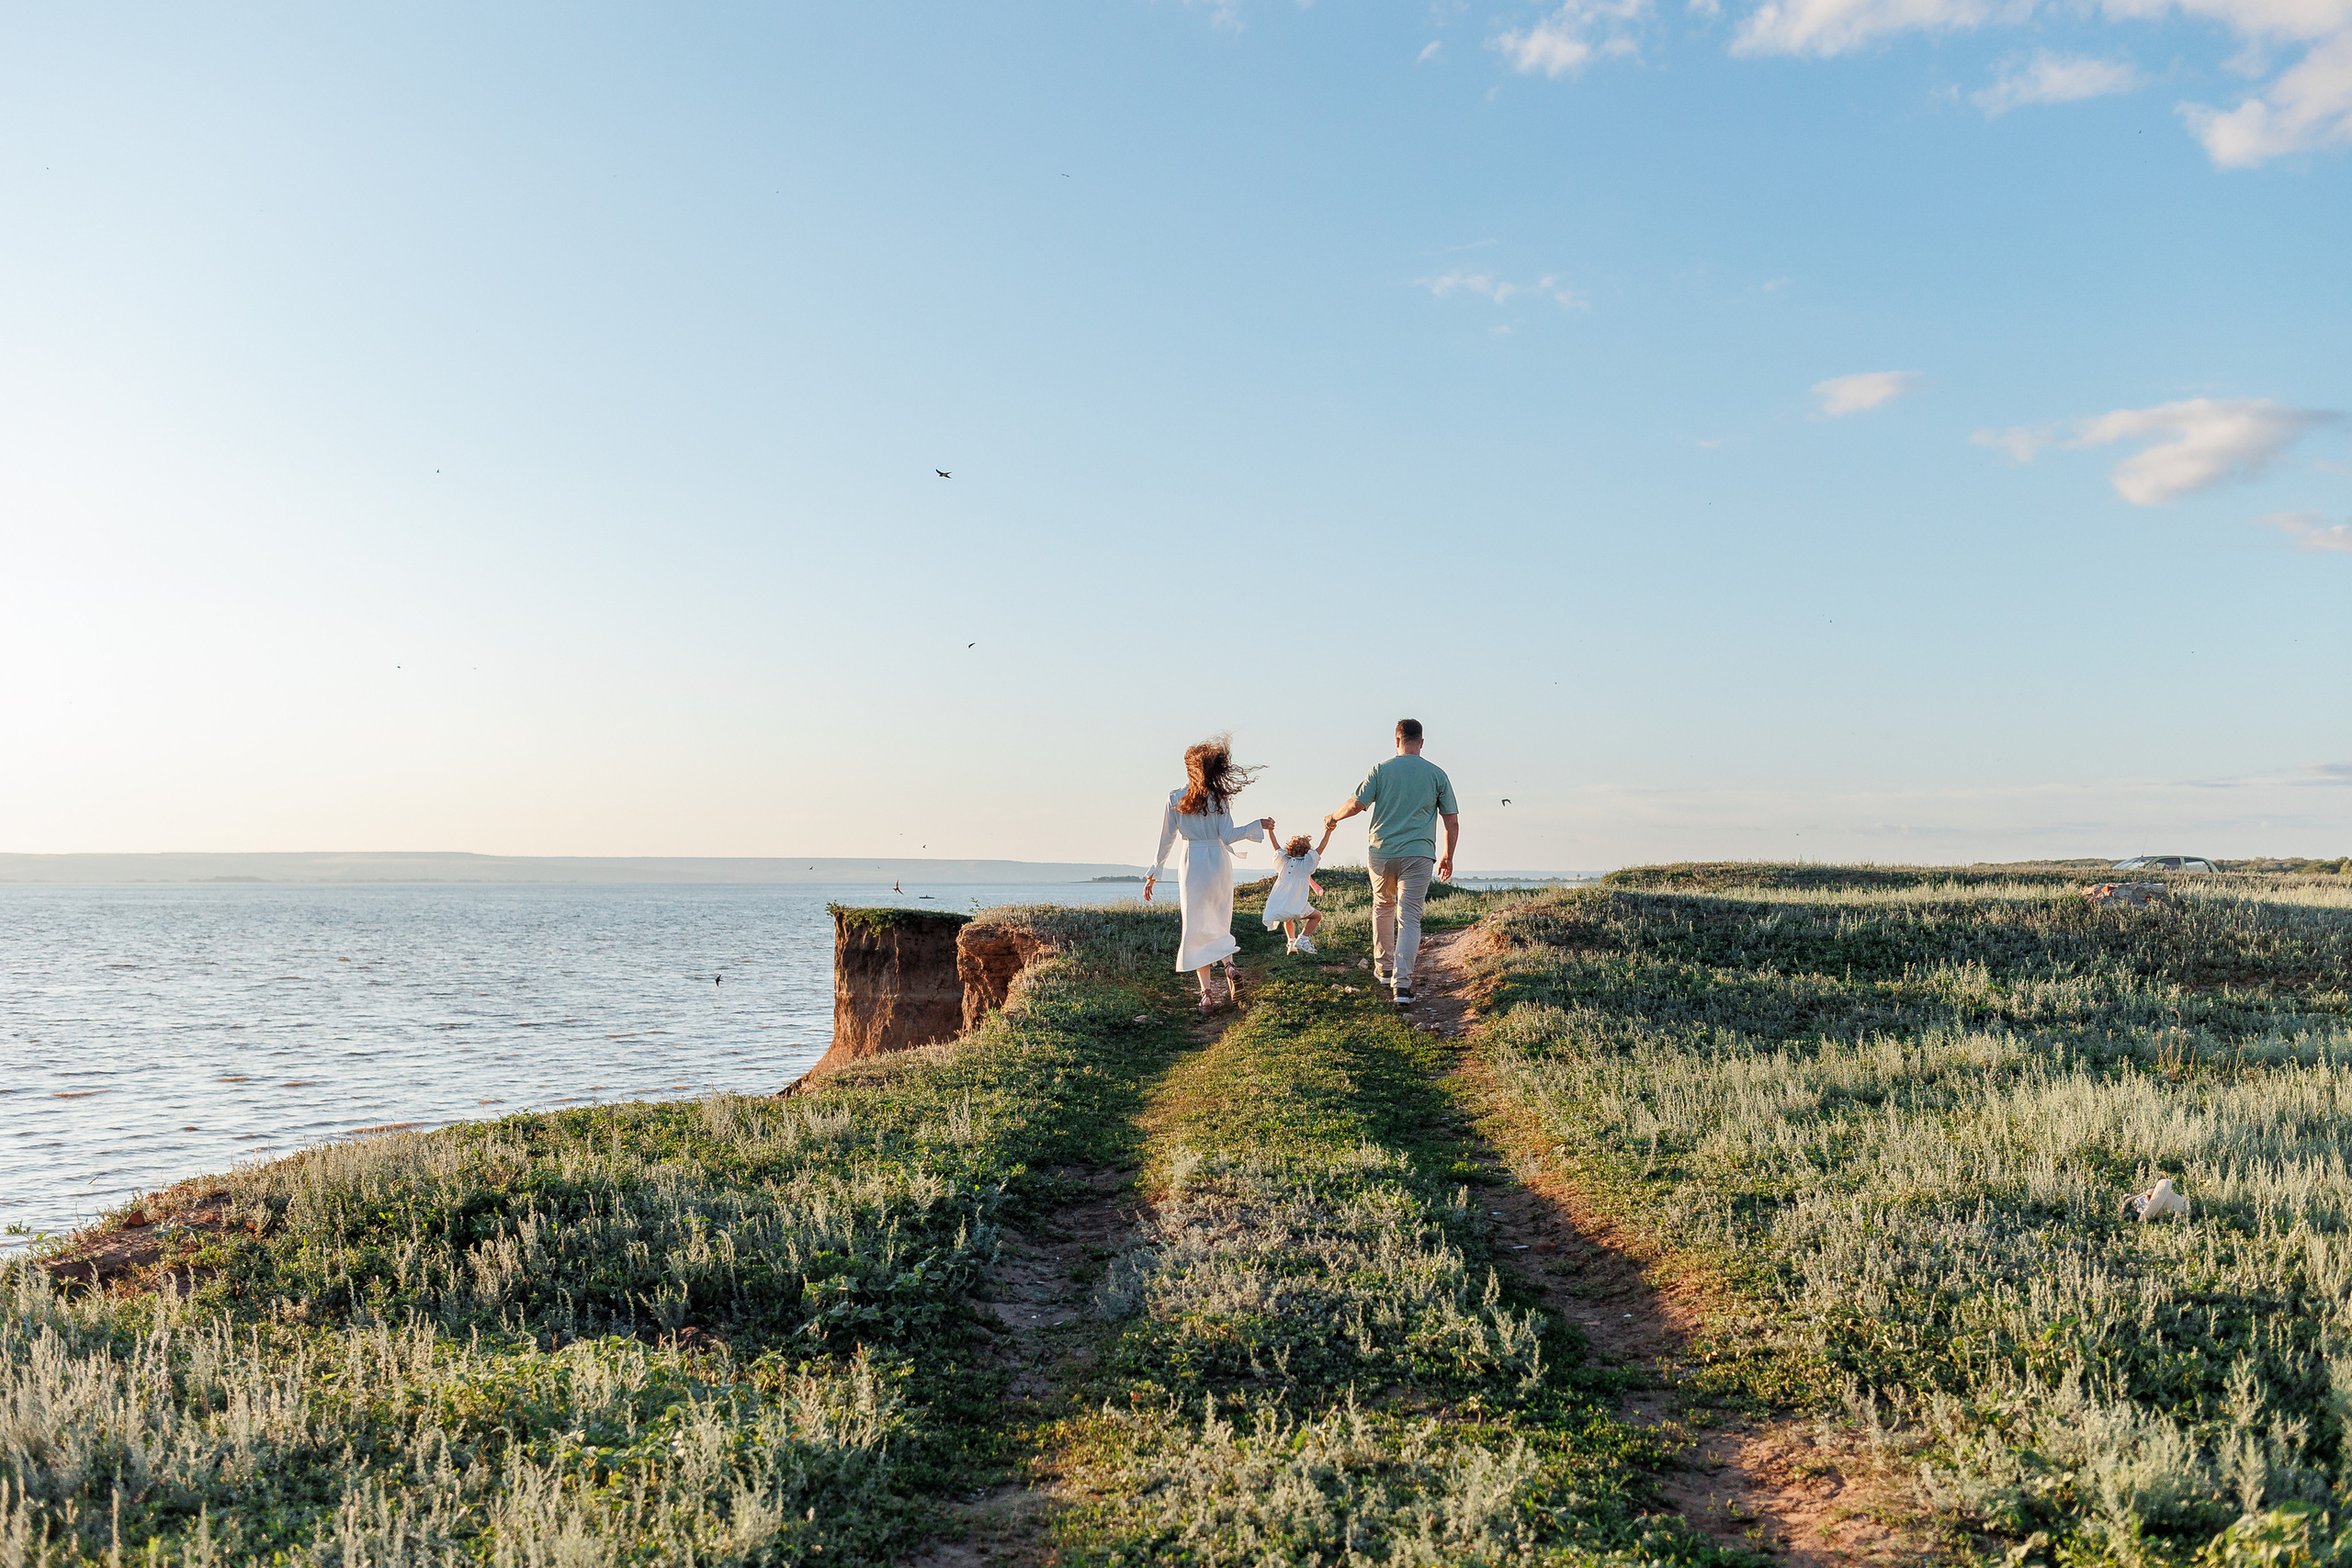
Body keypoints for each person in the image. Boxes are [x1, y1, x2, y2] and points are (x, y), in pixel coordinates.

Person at [1324, 718, 1459, 1005]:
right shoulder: (1437, 774)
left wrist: (1332, 818)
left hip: (1382, 853)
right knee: (1409, 917)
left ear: (1396, 741)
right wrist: (1448, 855)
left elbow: (1355, 805)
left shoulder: (1381, 769)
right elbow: (1451, 820)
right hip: (1419, 853)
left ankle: (1384, 969)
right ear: (1421, 742)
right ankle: (1402, 986)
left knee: (1383, 907)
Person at [1144, 736, 1273, 1010]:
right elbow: (1228, 836)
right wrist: (1256, 825)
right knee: (1218, 919)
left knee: (1196, 926)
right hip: (1219, 862)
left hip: (1192, 863)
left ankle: (1206, 995)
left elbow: (1167, 839)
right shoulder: (1218, 799)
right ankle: (1229, 966)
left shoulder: (1175, 798)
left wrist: (1155, 870)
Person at [1261, 821, 1333, 954]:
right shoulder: (1307, 863)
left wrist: (1270, 830)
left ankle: (1291, 942)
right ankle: (1303, 939)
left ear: (1290, 849)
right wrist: (1328, 832)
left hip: (1280, 904)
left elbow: (1275, 846)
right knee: (1316, 916)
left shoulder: (1283, 861)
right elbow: (1321, 848)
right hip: (1297, 903)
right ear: (1307, 851)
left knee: (1288, 918)